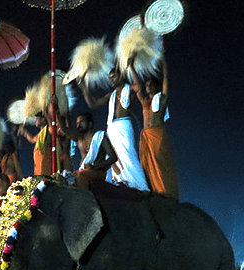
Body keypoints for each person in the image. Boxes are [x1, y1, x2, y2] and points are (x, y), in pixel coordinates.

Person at [78, 67, 149, 191]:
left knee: (128, 154)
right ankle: (121, 181)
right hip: (111, 128)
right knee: (113, 157)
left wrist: (131, 67)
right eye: (110, 77)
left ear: (121, 76)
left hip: (124, 126)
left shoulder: (129, 89)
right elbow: (92, 103)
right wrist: (83, 86)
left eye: (114, 76)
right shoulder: (111, 95)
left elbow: (138, 86)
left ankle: (140, 185)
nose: (111, 79)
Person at [130, 55, 179, 200]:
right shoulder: (145, 101)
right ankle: (152, 191)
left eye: (151, 85)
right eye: (147, 85)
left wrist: (163, 61)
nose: (148, 87)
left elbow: (166, 80)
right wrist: (132, 67)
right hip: (146, 135)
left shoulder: (161, 98)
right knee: (146, 165)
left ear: (157, 87)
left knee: (159, 163)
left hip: (157, 135)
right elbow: (137, 86)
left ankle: (165, 192)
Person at [58, 112, 118, 190]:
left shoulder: (100, 137)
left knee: (80, 176)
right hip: (82, 170)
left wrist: (94, 167)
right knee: (64, 177)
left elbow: (113, 158)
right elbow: (64, 129)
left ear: (90, 124)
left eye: (81, 122)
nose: (78, 125)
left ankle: (84, 199)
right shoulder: (79, 139)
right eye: (77, 123)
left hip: (98, 172)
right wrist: (57, 112)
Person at [19, 110, 71, 176]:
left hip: (47, 167)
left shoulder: (49, 129)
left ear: (43, 119)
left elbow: (55, 126)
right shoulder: (41, 133)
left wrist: (46, 110)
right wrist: (24, 132)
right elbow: (32, 139)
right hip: (39, 167)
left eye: (37, 118)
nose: (35, 120)